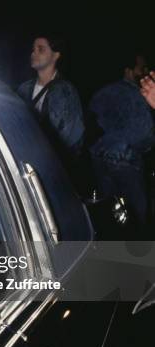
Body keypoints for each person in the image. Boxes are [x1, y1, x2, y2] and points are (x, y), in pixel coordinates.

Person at [89, 54, 154, 229]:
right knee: (138, 218)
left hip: (98, 158)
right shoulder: (136, 94)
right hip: (126, 160)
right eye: (141, 68)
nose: (145, 72)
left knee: (111, 215)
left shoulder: (103, 91)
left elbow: (91, 122)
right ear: (129, 71)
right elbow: (145, 133)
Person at [17, 34, 85, 163]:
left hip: (51, 164)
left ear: (56, 55)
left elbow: (72, 139)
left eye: (40, 49)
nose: (33, 53)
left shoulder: (65, 91)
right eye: (33, 49)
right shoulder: (24, 88)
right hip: (24, 158)